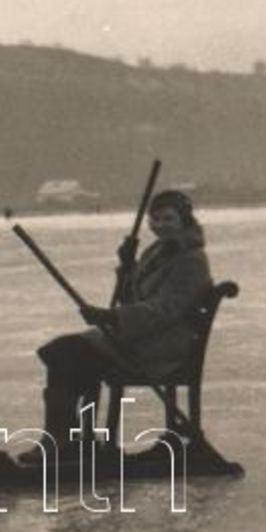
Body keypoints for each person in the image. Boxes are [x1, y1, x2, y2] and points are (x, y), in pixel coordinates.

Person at [31, 189, 213, 457]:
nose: (161, 225)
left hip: (164, 343)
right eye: (156, 219)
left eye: (168, 219)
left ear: (184, 220)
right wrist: (127, 268)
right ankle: (73, 440)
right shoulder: (160, 251)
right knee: (62, 352)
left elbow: (165, 309)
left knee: (68, 352)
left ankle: (65, 442)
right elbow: (134, 298)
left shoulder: (191, 259)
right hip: (143, 335)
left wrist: (112, 317)